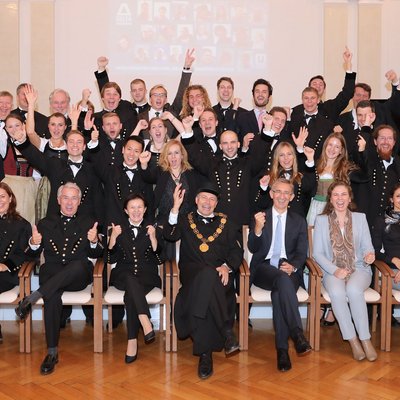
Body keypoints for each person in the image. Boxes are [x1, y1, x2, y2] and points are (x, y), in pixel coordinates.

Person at [15, 182, 104, 374]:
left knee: (79, 265)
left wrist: (94, 241)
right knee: (52, 295)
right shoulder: (45, 223)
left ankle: (32, 297)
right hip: (53, 272)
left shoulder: (89, 222)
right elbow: (30, 255)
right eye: (65, 198)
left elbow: (96, 253)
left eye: (74, 198)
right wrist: (34, 243)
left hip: (78, 276)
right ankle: (52, 353)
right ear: (58, 200)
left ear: (80, 202)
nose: (69, 203)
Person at [163, 183, 242, 379]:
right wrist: (175, 207)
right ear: (196, 200)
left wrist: (227, 267)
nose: (207, 202)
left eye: (212, 199)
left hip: (219, 279)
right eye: (203, 198)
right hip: (192, 276)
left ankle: (205, 355)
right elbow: (169, 235)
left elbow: (237, 251)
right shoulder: (184, 219)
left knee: (208, 283)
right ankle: (226, 330)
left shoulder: (227, 223)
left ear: (217, 203)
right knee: (207, 273)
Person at [248, 178, 312, 372]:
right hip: (264, 268)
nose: (282, 196)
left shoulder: (299, 221)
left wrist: (293, 266)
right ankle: (297, 334)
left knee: (279, 292)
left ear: (291, 197)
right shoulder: (261, 216)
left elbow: (302, 252)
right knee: (281, 281)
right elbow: (252, 247)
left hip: (289, 268)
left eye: (286, 193)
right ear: (271, 193)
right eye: (278, 192)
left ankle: (282, 351)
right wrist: (257, 229)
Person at [313, 181, 377, 362]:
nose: (340, 199)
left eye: (343, 195)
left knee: (354, 290)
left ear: (350, 198)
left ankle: (365, 339)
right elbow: (317, 253)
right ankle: (353, 340)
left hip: (359, 268)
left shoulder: (360, 218)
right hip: (332, 270)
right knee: (337, 292)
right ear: (330, 199)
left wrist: (369, 255)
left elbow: (368, 247)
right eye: (336, 195)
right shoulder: (321, 220)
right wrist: (335, 270)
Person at [107, 193, 164, 363]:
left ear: (145, 210)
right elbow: (111, 259)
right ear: (126, 210)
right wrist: (113, 238)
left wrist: (154, 238)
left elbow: (160, 259)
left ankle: (132, 341)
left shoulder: (153, 228)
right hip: (123, 274)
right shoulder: (117, 229)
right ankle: (145, 320)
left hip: (147, 275)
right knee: (131, 280)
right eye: (132, 207)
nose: (136, 211)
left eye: (140, 207)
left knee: (132, 293)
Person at [0, 182, 32, 343]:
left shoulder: (21, 224)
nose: (0, 200)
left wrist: (6, 265)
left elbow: (24, 253)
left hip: (8, 273)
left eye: (2, 196)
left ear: (10, 198)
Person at [256, 142, 316, 218]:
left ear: (294, 156)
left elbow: (312, 188)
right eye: (282, 155)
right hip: (274, 219)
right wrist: (263, 188)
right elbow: (262, 204)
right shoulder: (270, 177)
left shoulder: (301, 177)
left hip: (296, 221)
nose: (286, 158)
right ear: (277, 158)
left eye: (289, 154)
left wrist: (310, 160)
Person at [371, 183, 400, 324]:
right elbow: (375, 252)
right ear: (391, 199)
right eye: (398, 196)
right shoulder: (381, 221)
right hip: (391, 271)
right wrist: (393, 260)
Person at [236, 78, 273, 143]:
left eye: (264, 92)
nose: (260, 94)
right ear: (253, 95)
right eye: (257, 91)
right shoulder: (242, 117)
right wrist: (244, 148)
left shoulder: (273, 119)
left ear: (269, 96)